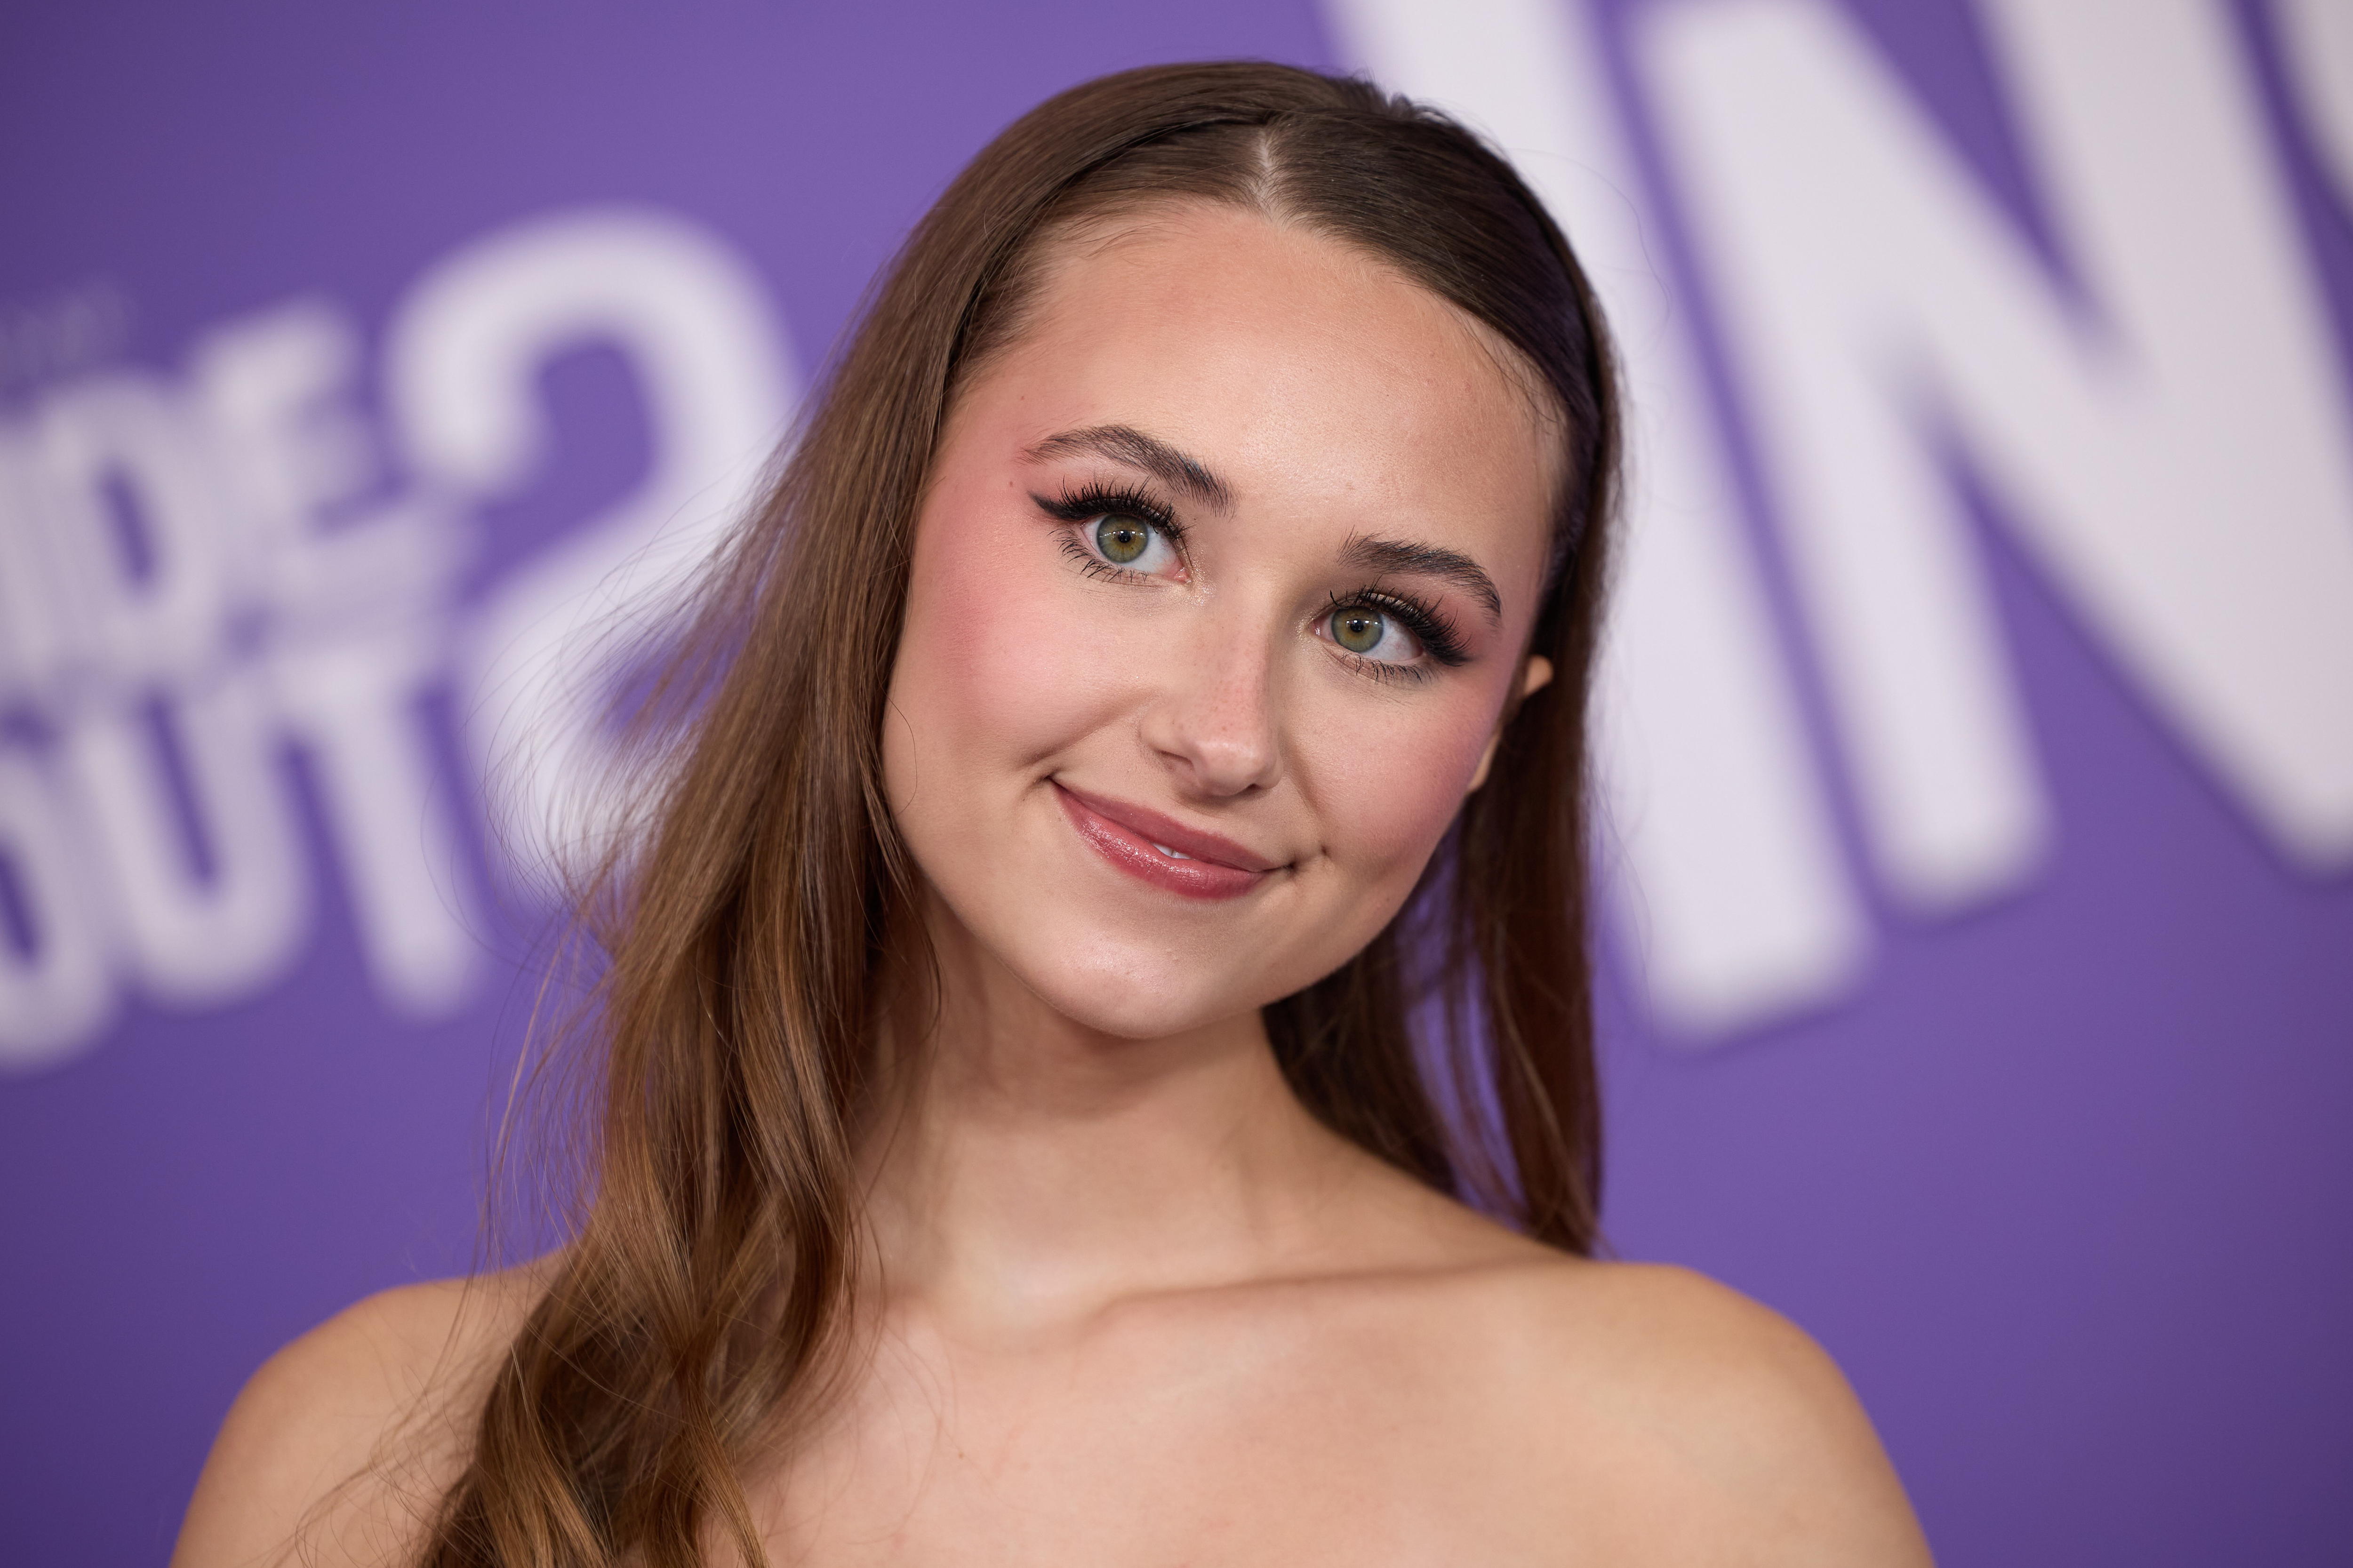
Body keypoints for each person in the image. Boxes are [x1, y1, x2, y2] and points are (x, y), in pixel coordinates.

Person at [173, 62, 1931, 1567]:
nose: (1224, 731)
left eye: (1380, 628)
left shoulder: (1698, 1467)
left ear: (1495, 733)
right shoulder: (364, 1462)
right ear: (897, 514)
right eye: (1124, 530)